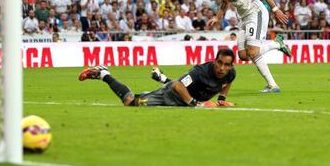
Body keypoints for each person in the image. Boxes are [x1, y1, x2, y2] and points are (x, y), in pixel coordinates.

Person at [208, 0, 292, 93]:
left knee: (253, 52)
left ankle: (273, 85)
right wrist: (217, 18)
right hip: (243, 18)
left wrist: (275, 10)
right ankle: (277, 44)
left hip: (256, 13)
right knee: (243, 55)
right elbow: (224, 2)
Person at [78, 48, 236, 107]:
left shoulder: (230, 73)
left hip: (186, 102)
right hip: (171, 95)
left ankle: (160, 78)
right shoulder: (200, 72)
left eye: (226, 65)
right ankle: (104, 74)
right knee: (130, 102)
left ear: (231, 66)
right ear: (215, 61)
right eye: (219, 63)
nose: (222, 68)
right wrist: (195, 104)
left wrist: (222, 99)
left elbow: (228, 81)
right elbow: (177, 85)